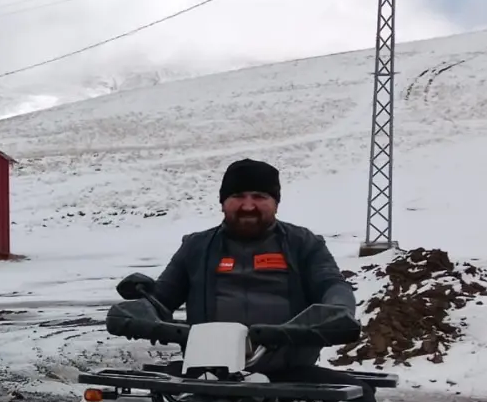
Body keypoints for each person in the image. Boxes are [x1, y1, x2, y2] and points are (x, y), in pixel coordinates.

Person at [137, 159, 356, 373]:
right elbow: (161, 299)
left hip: (290, 377)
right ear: (222, 201)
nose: (248, 206)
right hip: (208, 376)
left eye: (259, 196)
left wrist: (338, 309)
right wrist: (140, 308)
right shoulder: (196, 247)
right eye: (237, 196)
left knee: (361, 400)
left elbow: (331, 284)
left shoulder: (304, 243)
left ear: (276, 203)